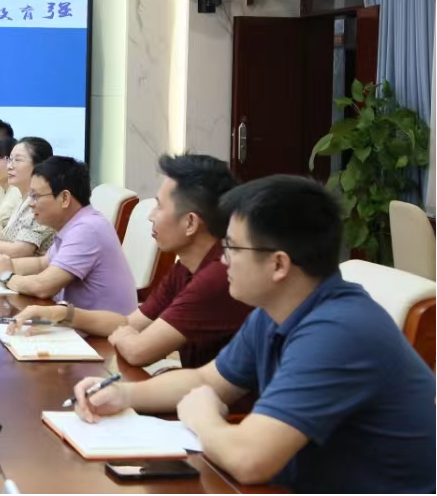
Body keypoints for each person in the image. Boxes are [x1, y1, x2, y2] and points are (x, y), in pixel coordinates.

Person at [72, 176, 436, 493]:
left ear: (278, 264)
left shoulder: (339, 332)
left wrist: (201, 416)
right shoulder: (274, 311)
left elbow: (249, 460)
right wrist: (123, 394)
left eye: (232, 247)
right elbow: (206, 380)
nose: (223, 260)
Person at [11, 153, 251, 368]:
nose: (151, 216)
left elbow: (138, 351)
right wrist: (62, 314)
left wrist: (126, 335)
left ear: (190, 223)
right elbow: (128, 322)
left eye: (159, 207)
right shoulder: (185, 268)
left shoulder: (216, 277)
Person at [0, 156, 136, 314]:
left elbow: (43, 286)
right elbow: (42, 263)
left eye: (36, 196)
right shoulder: (76, 223)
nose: (31, 203)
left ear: (64, 198)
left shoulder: (87, 229)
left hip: (103, 329)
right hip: (77, 322)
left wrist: (6, 276)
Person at [0, 137, 56, 262]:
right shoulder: (23, 198)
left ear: (39, 166)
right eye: (10, 159)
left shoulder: (41, 202)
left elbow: (21, 251)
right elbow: (8, 236)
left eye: (18, 160)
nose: (9, 166)